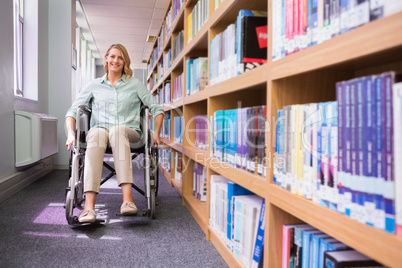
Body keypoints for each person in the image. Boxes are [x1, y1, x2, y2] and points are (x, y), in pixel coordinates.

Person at [65, 44, 164, 223]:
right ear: (106, 58)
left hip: (129, 132)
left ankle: (127, 201)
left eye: (120, 57)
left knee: (117, 131)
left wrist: (156, 133)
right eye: (112, 56)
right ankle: (89, 208)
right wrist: (71, 134)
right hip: (101, 131)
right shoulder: (94, 85)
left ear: (124, 61)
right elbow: (72, 111)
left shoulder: (135, 85)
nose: (115, 61)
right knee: (95, 134)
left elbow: (157, 109)